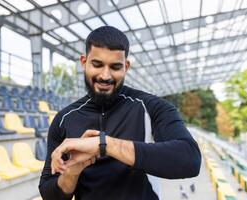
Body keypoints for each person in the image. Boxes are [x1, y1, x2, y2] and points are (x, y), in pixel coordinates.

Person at [39, 26, 201, 200]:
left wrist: (104, 145)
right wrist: (72, 171)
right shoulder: (64, 119)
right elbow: (50, 194)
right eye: (97, 64)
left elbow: (189, 159)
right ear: (84, 62)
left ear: (126, 66)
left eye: (115, 67)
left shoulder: (151, 106)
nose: (105, 75)